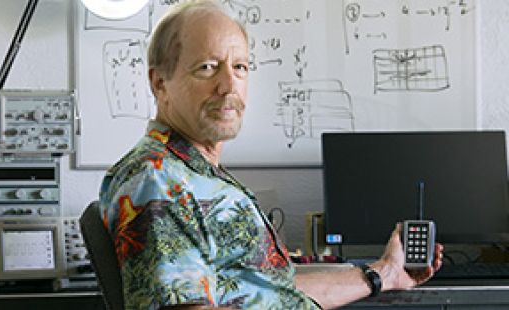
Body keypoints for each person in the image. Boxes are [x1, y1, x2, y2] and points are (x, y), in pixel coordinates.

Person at [98, 1, 444, 309]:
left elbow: (271, 288)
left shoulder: (197, 174)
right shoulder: (159, 181)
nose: (228, 85)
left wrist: (385, 273)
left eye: (240, 67)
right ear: (159, 82)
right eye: (207, 67)